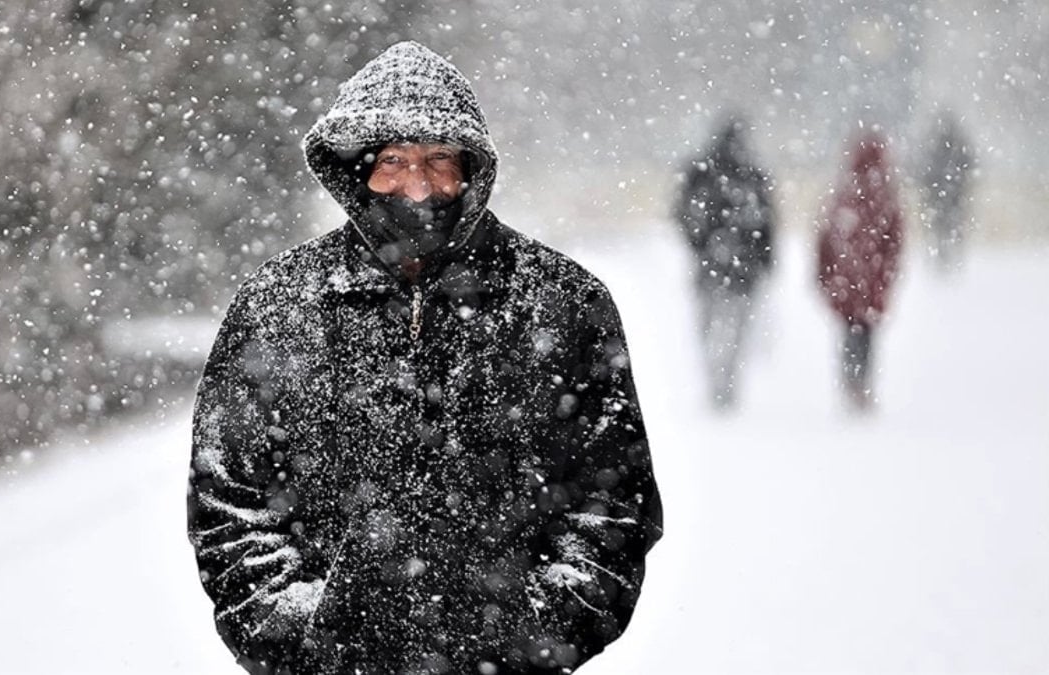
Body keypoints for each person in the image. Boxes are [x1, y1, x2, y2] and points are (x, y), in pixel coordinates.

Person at [188, 41, 663, 675]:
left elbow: (614, 508)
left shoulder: (563, 303)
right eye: (393, 160)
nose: (418, 186)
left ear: (472, 168)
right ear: (356, 170)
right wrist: (303, 640)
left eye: (439, 158)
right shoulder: (279, 306)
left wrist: (531, 640)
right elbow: (229, 506)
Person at [673, 115, 775, 409]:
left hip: (711, 266)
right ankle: (725, 383)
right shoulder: (752, 175)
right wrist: (766, 259)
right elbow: (767, 224)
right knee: (735, 330)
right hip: (743, 269)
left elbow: (682, 213)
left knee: (709, 327)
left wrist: (700, 245)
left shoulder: (701, 171)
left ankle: (717, 383)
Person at [817, 130, 904, 410]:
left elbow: (825, 239)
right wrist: (886, 275)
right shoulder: (885, 197)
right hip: (870, 283)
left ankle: (851, 383)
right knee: (865, 335)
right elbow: (895, 243)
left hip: (847, 281)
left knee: (850, 332)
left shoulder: (844, 194)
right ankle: (859, 385)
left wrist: (825, 274)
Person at [921, 111, 974, 272]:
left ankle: (944, 259)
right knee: (950, 228)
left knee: (941, 229)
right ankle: (950, 259)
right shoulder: (958, 145)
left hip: (941, 196)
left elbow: (926, 171)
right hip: (951, 196)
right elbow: (969, 163)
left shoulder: (935, 145)